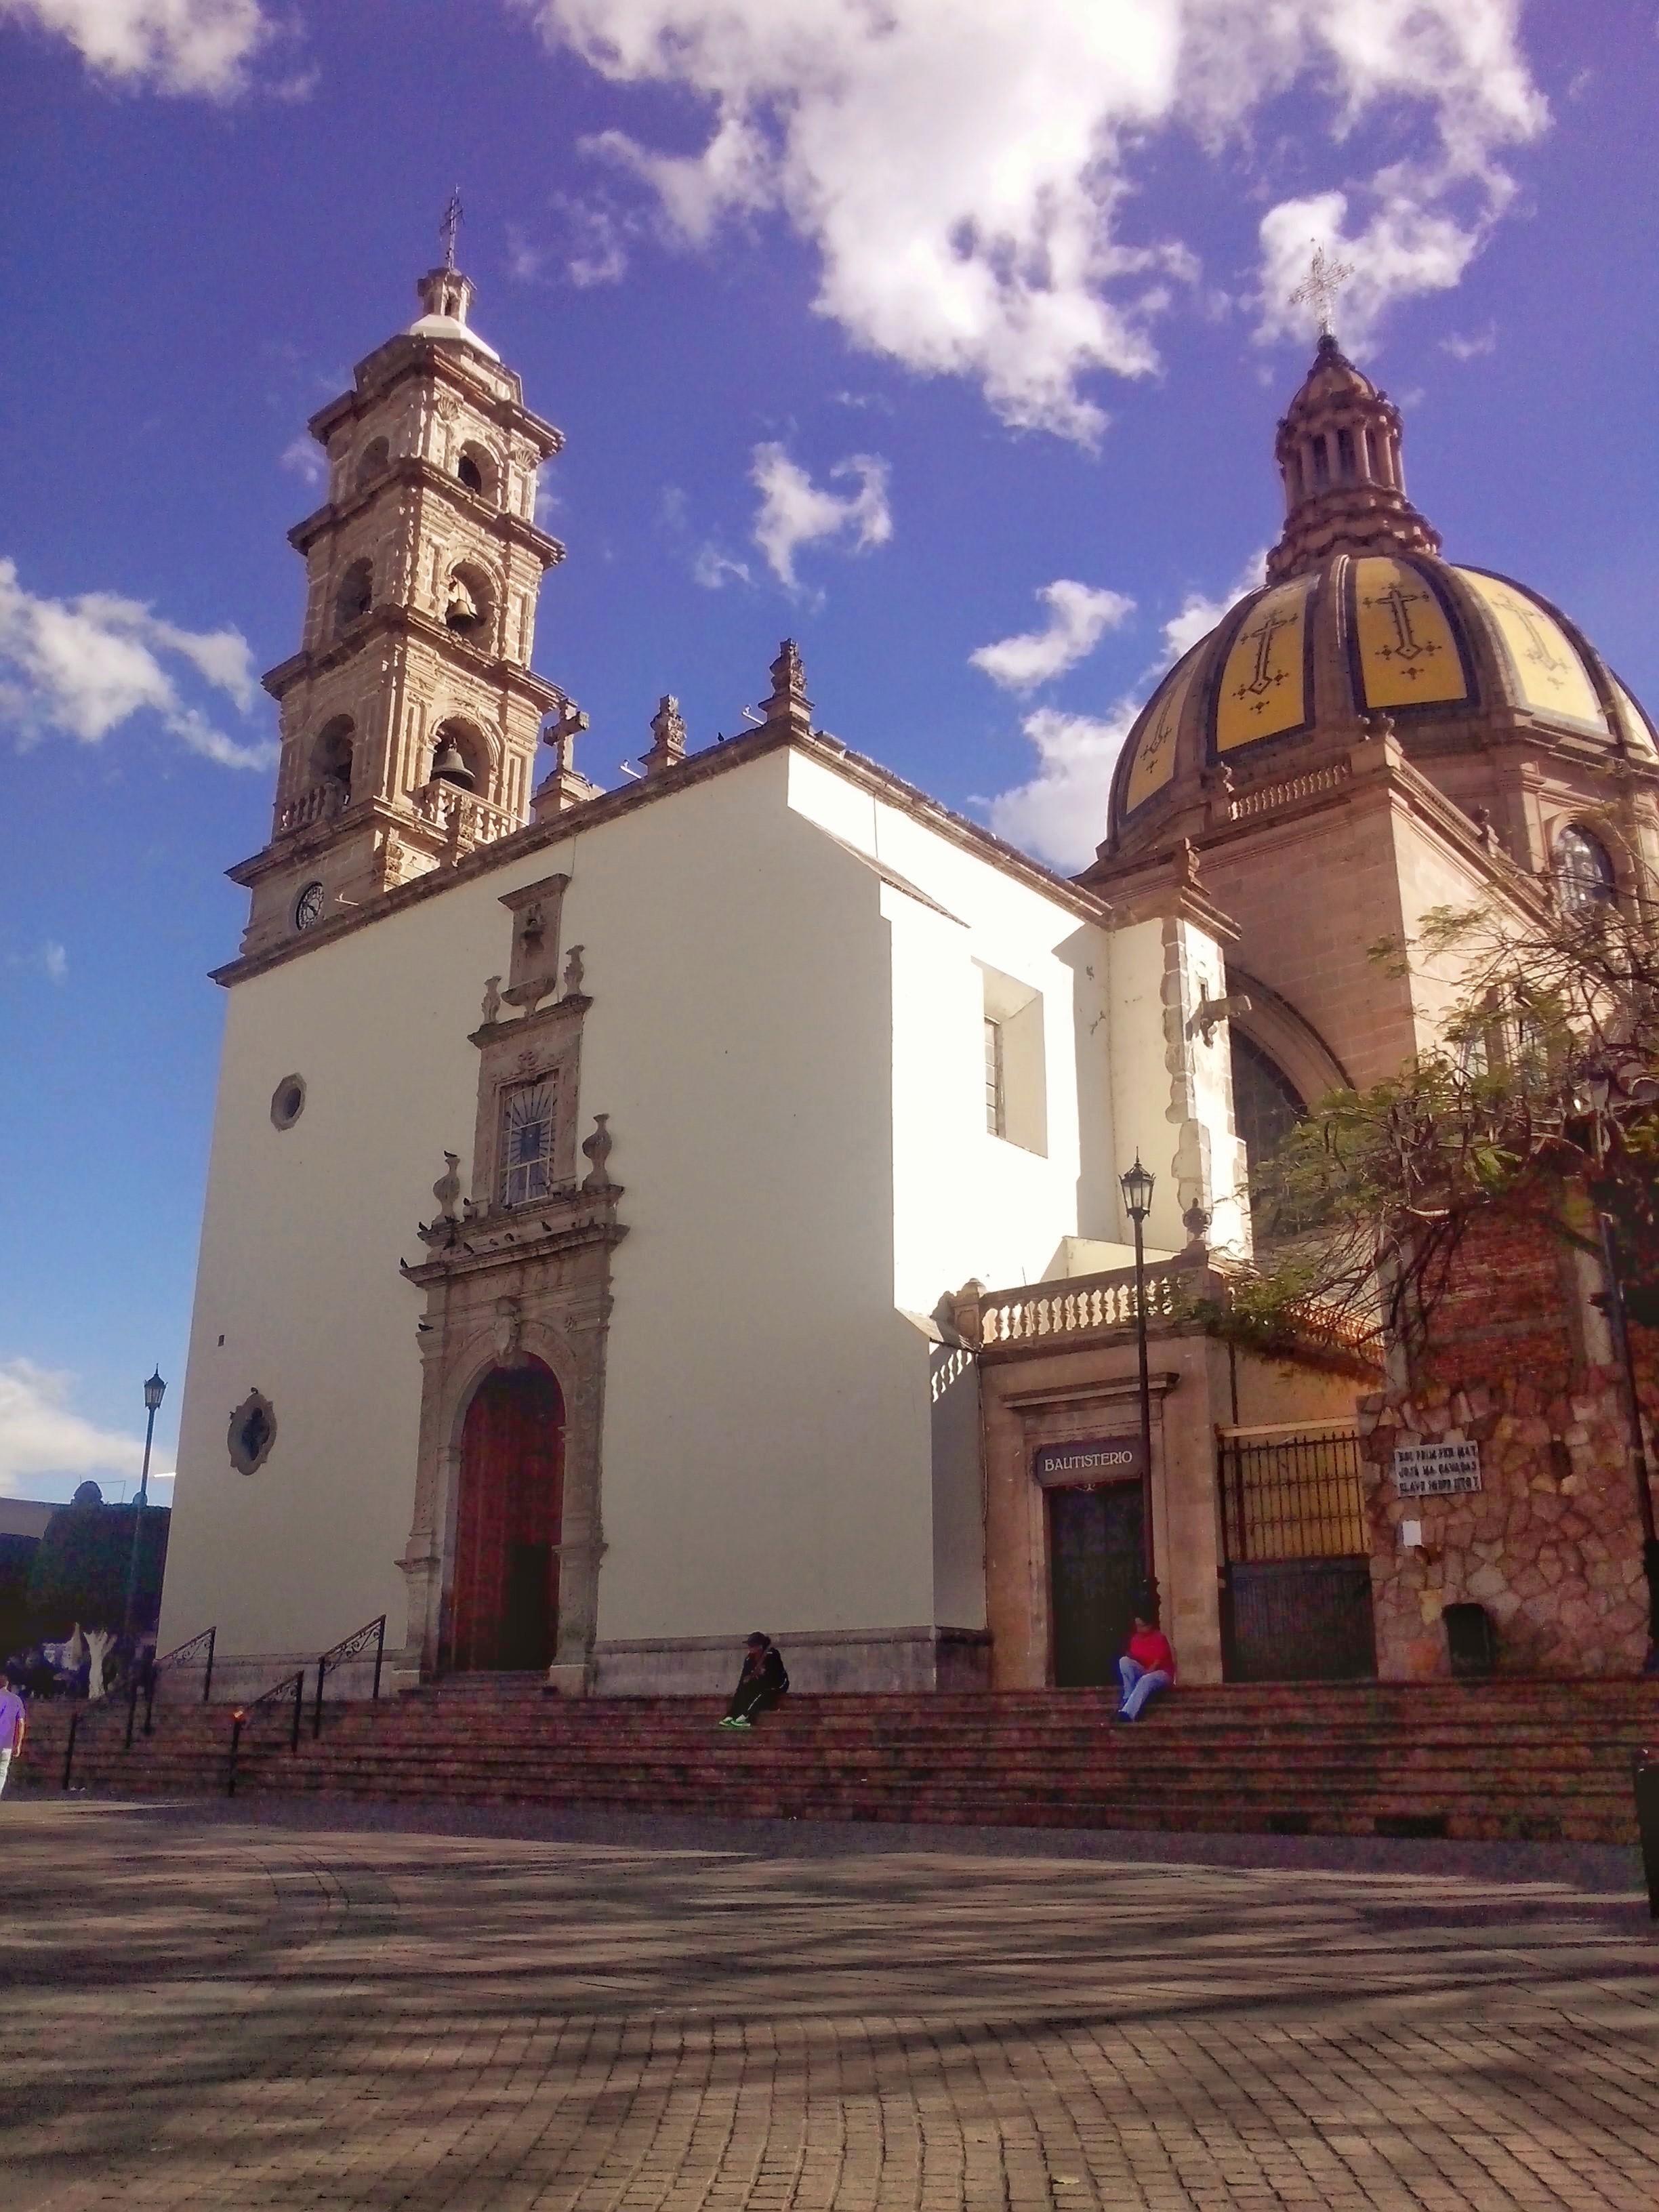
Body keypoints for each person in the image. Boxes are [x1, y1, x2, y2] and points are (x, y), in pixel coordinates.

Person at [718, 1633, 789, 1729]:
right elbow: (744, 1679)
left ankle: (746, 1717)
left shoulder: (772, 1655)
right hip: (759, 1682)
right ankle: (731, 1715)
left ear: (760, 1646)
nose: (750, 1649)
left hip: (777, 1683)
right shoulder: (749, 1659)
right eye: (749, 1646)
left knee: (762, 1694)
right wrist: (743, 1688)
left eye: (752, 1646)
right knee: (742, 1690)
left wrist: (758, 1679)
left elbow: (774, 1676)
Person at [1115, 1614, 1176, 1722]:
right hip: (1144, 1671)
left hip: (1162, 1673)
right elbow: (1135, 1659)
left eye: (1141, 1626)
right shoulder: (1135, 1639)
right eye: (1137, 1626)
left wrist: (1146, 1673)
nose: (1139, 1629)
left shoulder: (1159, 1638)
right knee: (1124, 1661)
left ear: (1149, 1625)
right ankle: (1128, 1697)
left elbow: (1158, 1662)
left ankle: (1128, 1713)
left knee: (1146, 1679)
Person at [0, 1671, 27, 1796]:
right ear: (7, 1685)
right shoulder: (16, 1700)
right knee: (2, 1772)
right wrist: (18, 1744)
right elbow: (21, 1723)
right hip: (7, 1744)